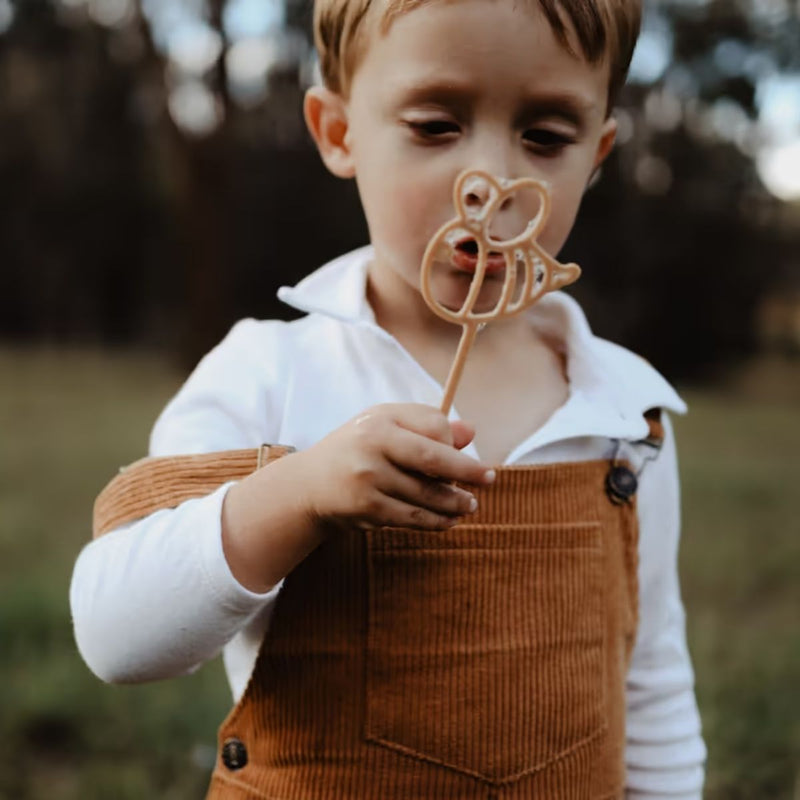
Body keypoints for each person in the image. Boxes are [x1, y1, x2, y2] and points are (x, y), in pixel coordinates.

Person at [70, 0, 706, 797]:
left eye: (546, 137)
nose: (495, 184)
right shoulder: (271, 371)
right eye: (437, 125)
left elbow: (648, 680)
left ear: (598, 153)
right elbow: (115, 637)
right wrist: (298, 494)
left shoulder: (624, 413)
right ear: (340, 133)